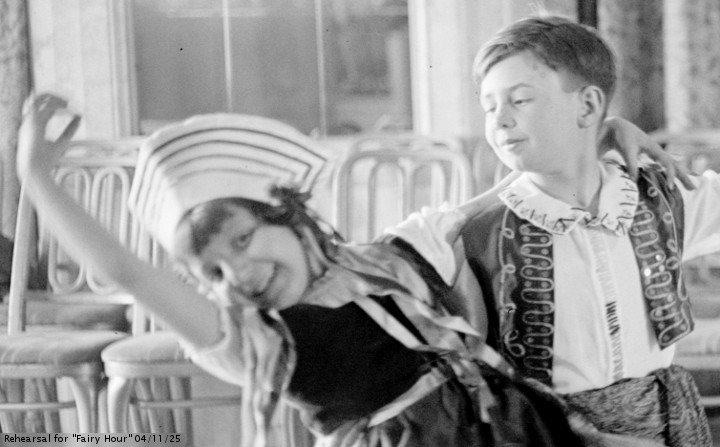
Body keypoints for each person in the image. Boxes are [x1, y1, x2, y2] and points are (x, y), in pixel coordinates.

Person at [17, 93, 675, 447]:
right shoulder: (259, 343)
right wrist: (35, 176)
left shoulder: (383, 261)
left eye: (242, 239)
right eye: (213, 272)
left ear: (289, 213)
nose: (237, 272)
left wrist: (596, 136)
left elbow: (500, 199)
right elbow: (126, 271)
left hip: (512, 424)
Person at [390, 15, 719, 447]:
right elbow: (376, 260)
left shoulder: (658, 198)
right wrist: (592, 137)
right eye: (489, 106)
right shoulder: (480, 232)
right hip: (548, 436)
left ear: (587, 105)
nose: (500, 120)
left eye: (520, 100)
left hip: (666, 429)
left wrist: (601, 137)